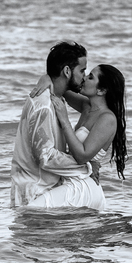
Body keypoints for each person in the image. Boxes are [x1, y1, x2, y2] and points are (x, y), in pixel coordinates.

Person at [10, 42, 103, 211]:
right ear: (67, 71)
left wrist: (46, 77)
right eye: (82, 71)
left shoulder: (56, 98)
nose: (84, 76)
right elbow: (46, 156)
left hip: (45, 194)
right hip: (34, 198)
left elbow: (92, 106)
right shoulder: (44, 104)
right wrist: (86, 167)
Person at [50, 64, 128, 199]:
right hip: (72, 177)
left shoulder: (107, 118)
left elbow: (82, 156)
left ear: (101, 90)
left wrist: (64, 120)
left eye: (90, 77)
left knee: (31, 209)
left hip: (84, 186)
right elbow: (59, 86)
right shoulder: (87, 106)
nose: (84, 78)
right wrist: (44, 80)